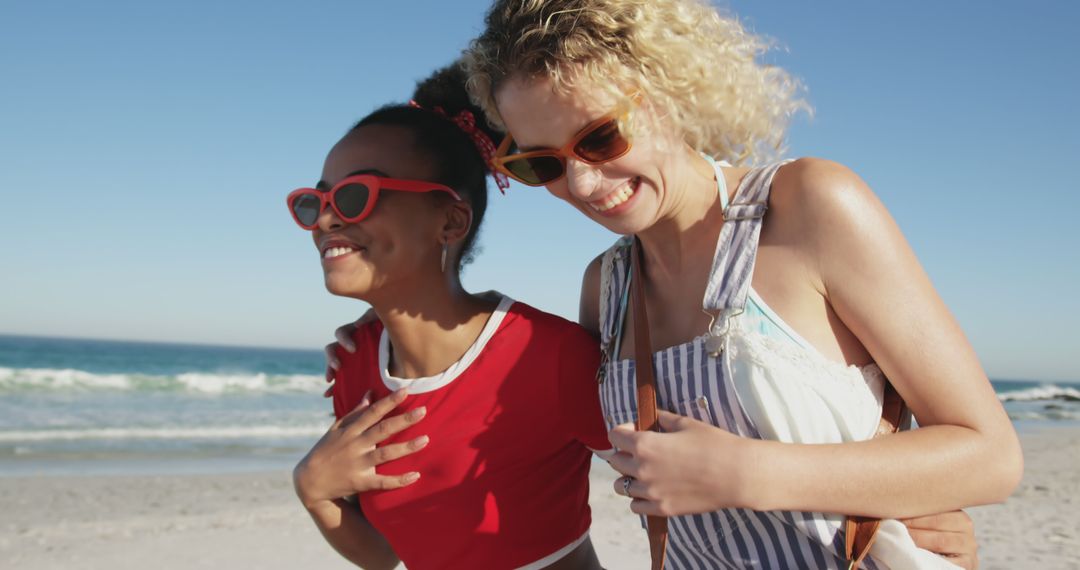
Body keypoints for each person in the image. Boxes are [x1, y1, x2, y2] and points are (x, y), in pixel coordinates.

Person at [445, 0, 1022, 567]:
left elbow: (991, 455)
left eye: (599, 138)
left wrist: (744, 474)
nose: (583, 182)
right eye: (541, 162)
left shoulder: (807, 208)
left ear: (665, 89)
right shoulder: (605, 286)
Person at [290, 64, 613, 570]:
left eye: (357, 195)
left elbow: (673, 495)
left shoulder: (548, 355)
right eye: (317, 200)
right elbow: (381, 555)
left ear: (450, 220)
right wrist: (312, 489)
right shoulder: (355, 367)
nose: (327, 218)